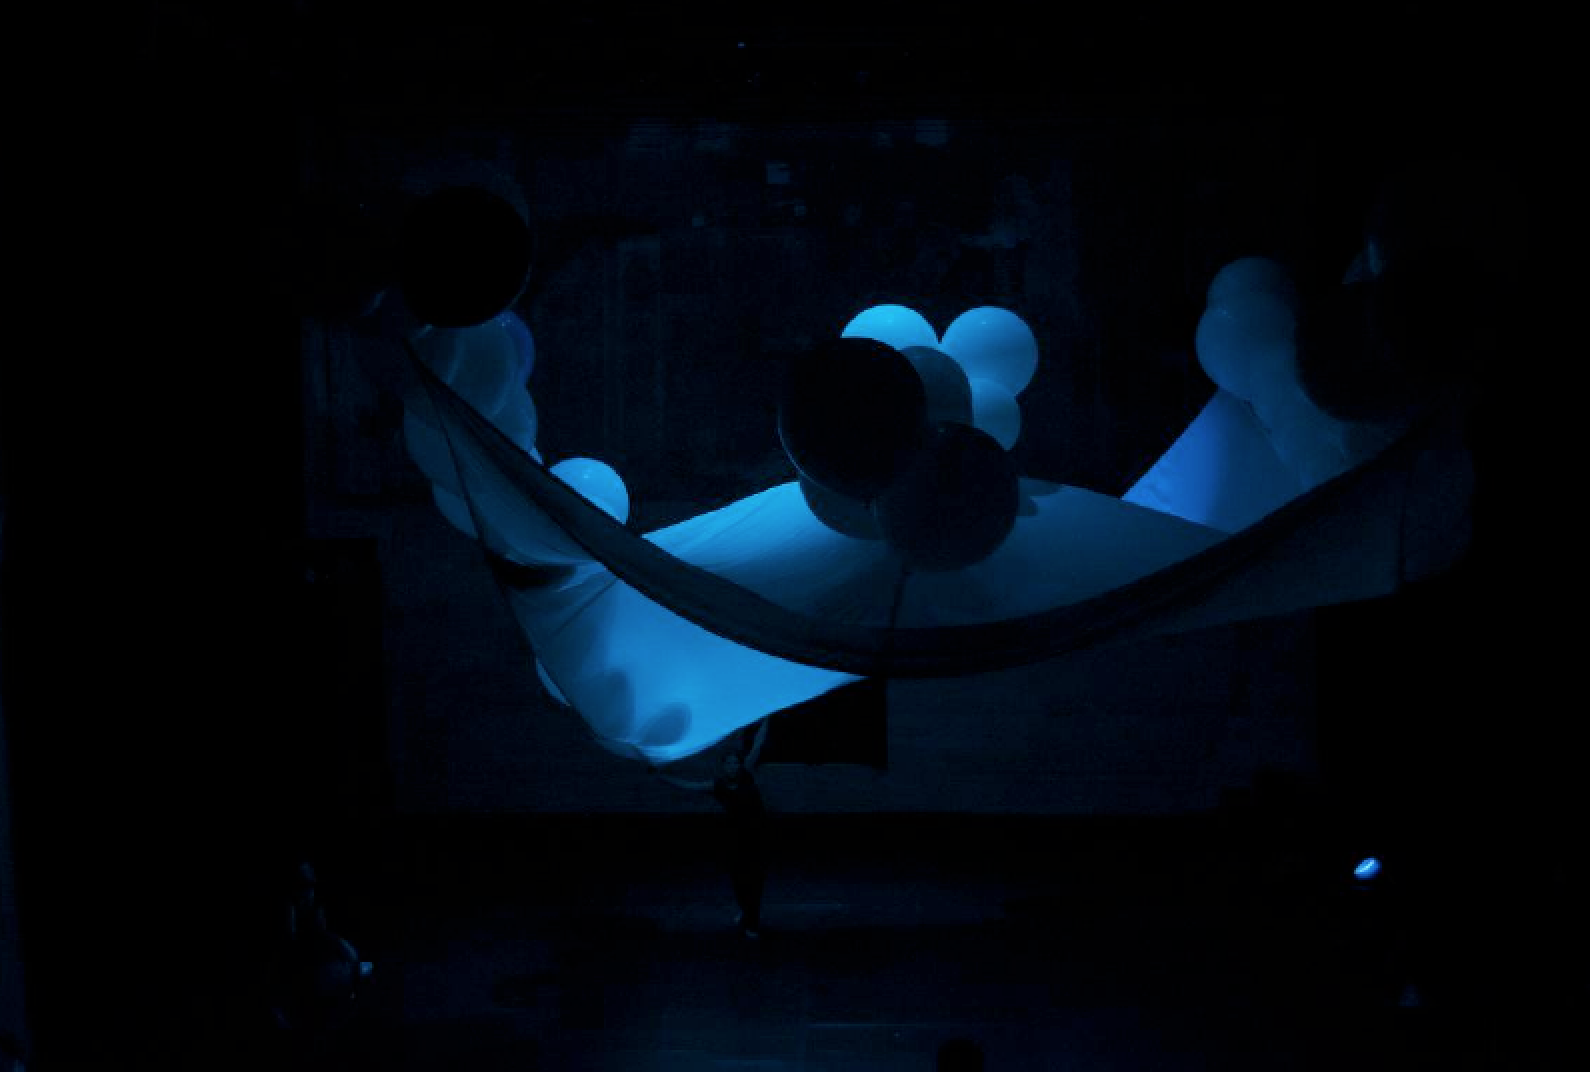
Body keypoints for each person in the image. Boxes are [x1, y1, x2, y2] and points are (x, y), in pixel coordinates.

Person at [653, 720, 770, 938]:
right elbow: (687, 786)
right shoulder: (718, 786)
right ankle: (746, 911)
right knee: (739, 880)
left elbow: (758, 744)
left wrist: (767, 718)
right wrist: (662, 777)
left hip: (757, 837)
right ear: (723, 766)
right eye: (729, 763)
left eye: (736, 762)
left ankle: (752, 923)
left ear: (740, 764)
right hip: (736, 839)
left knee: (755, 879)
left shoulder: (747, 773)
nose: (733, 766)